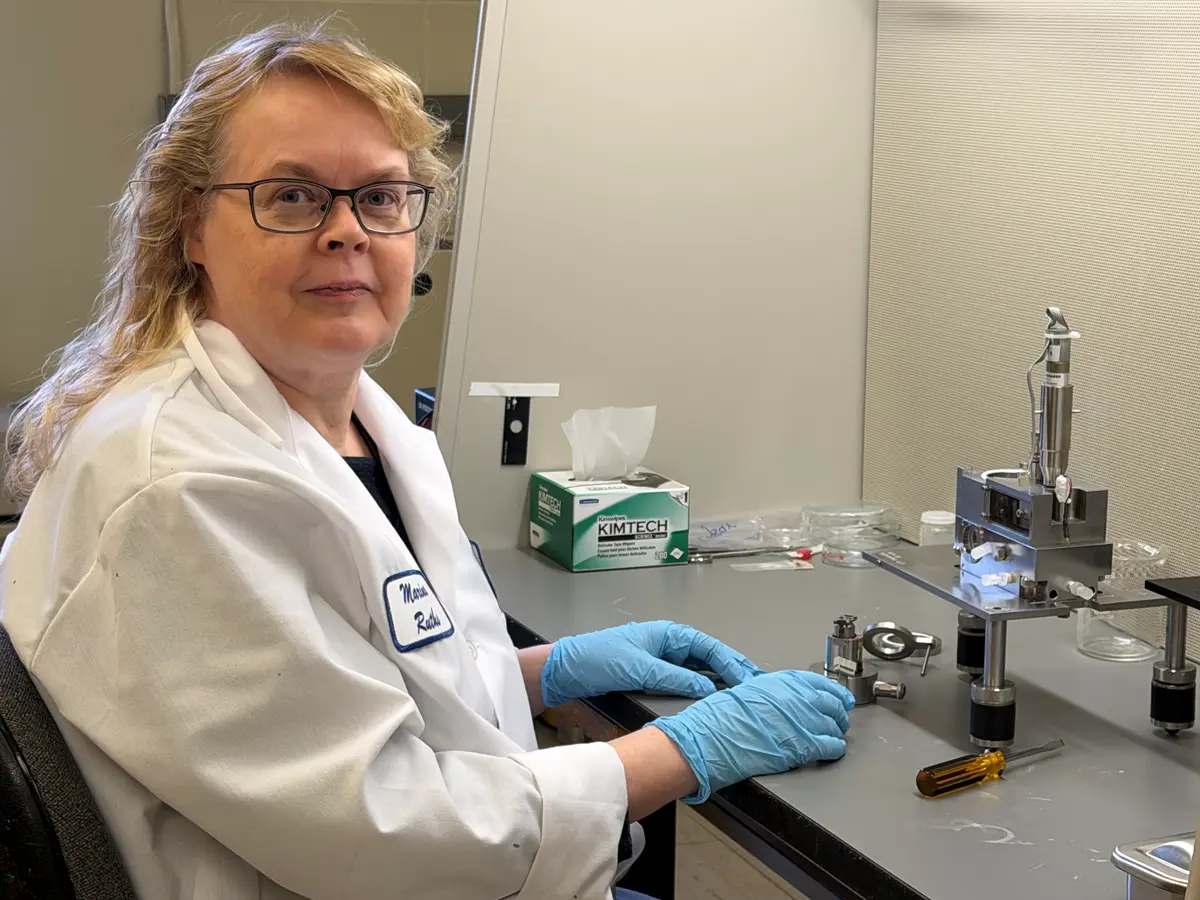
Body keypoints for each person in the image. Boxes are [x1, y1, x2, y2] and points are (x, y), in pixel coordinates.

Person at [0, 22, 854, 900]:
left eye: (380, 197)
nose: (347, 232)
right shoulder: (176, 487)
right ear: (192, 229)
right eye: (292, 196)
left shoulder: (359, 425)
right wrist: (681, 749)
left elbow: (361, 685)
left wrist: (540, 669)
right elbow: (397, 833)